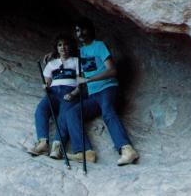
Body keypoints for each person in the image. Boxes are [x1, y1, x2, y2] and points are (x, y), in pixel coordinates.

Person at [64, 18, 139, 166]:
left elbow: (112, 70)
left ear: (90, 30)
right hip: (93, 95)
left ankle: (127, 149)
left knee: (108, 111)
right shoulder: (79, 52)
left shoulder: (99, 46)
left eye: (83, 29)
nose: (80, 33)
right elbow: (65, 58)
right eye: (78, 30)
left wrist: (89, 79)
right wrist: (52, 55)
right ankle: (85, 152)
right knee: (71, 113)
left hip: (107, 88)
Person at [27, 34, 80, 159]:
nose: (63, 47)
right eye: (60, 45)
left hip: (69, 91)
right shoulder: (52, 64)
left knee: (64, 116)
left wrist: (74, 94)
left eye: (66, 44)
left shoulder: (77, 61)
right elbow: (48, 82)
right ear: (56, 48)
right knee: (41, 110)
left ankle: (57, 146)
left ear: (71, 46)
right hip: (53, 92)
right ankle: (43, 143)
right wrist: (46, 87)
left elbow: (81, 82)